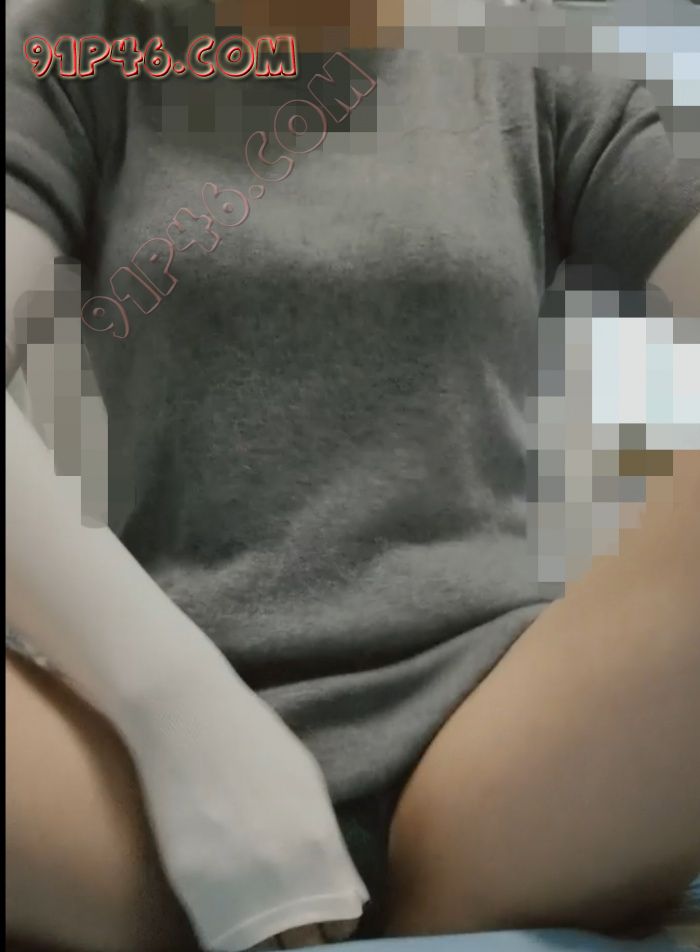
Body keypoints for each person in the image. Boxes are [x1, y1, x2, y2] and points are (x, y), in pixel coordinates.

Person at [6, 1, 700, 951]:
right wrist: (182, 717)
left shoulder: (532, 52)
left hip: (495, 756)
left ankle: (426, 911)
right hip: (131, 796)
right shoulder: (81, 48)